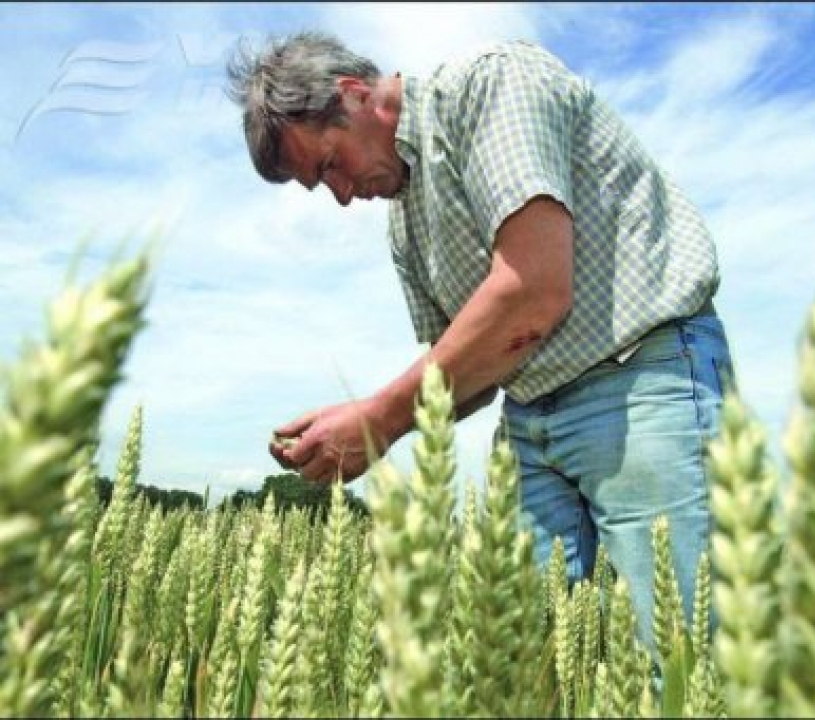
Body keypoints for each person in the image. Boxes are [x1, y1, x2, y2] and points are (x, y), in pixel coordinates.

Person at [225, 30, 736, 662]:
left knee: (685, 664)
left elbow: (534, 292)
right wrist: (355, 420)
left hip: (642, 377)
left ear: (354, 96)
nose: (342, 195)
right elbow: (466, 373)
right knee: (511, 666)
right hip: (528, 419)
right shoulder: (404, 225)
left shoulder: (491, 87)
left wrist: (379, 419)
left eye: (328, 165)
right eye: (320, 186)